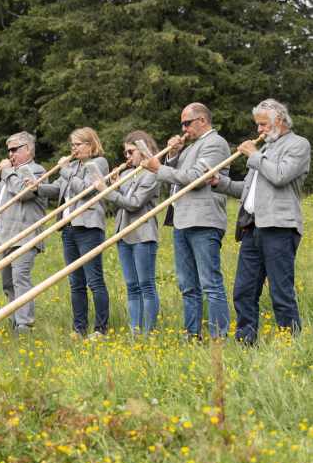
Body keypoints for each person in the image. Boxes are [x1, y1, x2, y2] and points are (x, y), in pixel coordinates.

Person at [211, 99, 310, 343]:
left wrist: (253, 155)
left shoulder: (298, 145)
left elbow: (279, 175)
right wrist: (220, 183)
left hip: (280, 227)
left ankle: (291, 343)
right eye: (258, 125)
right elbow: (248, 188)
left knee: (280, 291)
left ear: (279, 121)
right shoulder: (264, 150)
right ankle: (246, 343)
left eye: (263, 125)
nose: (259, 130)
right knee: (243, 291)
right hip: (252, 227)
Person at [143, 102, 231, 339]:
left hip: (204, 220)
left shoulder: (215, 143)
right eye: (182, 123)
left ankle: (218, 336)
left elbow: (195, 179)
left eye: (187, 123)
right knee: (187, 285)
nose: (183, 128)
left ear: (202, 120)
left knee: (210, 283)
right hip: (182, 220)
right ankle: (192, 334)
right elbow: (175, 177)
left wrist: (158, 167)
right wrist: (172, 154)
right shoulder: (193, 147)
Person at [37, 127, 110, 338]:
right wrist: (37, 187)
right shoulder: (74, 165)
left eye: (78, 144)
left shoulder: (99, 163)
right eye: (72, 145)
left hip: (88, 227)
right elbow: (58, 188)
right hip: (68, 228)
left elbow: (89, 190)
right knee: (75, 282)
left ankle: (100, 329)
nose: (74, 149)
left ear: (90, 144)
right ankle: (79, 328)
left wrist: (66, 170)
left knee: (94, 280)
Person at [94, 131, 161, 335]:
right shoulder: (126, 174)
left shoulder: (152, 174)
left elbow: (134, 204)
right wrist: (115, 185)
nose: (127, 156)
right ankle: (135, 331)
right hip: (123, 233)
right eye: (125, 153)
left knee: (146, 284)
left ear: (143, 150)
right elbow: (119, 203)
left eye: (131, 151)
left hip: (143, 233)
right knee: (132, 285)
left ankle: (148, 331)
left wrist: (107, 190)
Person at [0, 132, 47, 334]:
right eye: (8, 150)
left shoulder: (35, 170)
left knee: (20, 278)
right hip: (5, 236)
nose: (10, 154)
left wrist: (7, 173)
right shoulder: (10, 174)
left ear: (28, 149)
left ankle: (24, 324)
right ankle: (15, 320)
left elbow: (26, 194)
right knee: (7, 282)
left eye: (14, 149)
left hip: (25, 235)